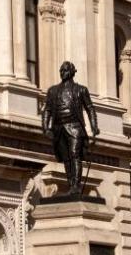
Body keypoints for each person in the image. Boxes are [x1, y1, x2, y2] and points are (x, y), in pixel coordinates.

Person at [41, 61, 99, 196]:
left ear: (72, 72)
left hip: (75, 127)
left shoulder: (81, 90)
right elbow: (47, 110)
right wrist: (45, 128)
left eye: (65, 70)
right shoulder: (53, 90)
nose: (63, 72)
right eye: (61, 70)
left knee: (75, 155)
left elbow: (90, 108)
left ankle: (76, 186)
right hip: (59, 128)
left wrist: (94, 126)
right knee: (66, 158)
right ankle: (71, 184)